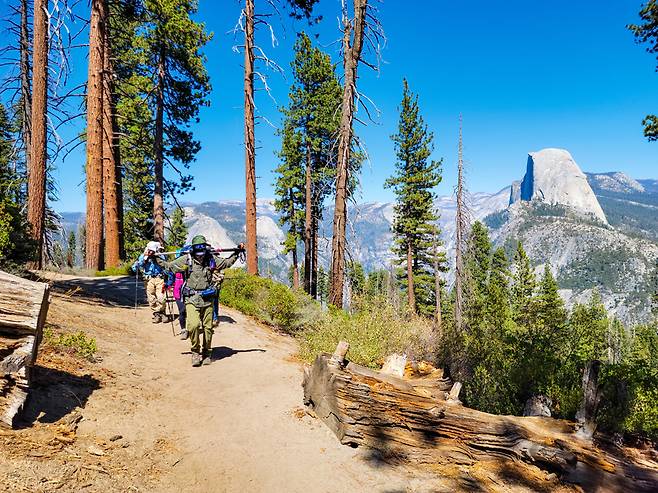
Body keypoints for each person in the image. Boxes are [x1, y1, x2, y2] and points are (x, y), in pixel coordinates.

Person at [166, 235, 243, 367]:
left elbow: (226, 263)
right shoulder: (186, 259)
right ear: (193, 248)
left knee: (208, 328)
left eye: (202, 247)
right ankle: (195, 352)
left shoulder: (211, 259)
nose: (200, 252)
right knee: (193, 325)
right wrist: (154, 258)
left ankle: (207, 353)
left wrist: (237, 253)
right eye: (197, 248)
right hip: (191, 298)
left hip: (208, 299)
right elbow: (169, 266)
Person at [131, 241, 168, 323]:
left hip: (159, 278)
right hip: (149, 279)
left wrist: (158, 258)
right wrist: (143, 260)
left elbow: (165, 266)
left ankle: (162, 312)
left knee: (161, 297)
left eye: (153, 251)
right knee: (151, 298)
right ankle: (156, 313)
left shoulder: (160, 256)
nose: (151, 252)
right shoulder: (143, 256)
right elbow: (134, 268)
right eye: (150, 250)